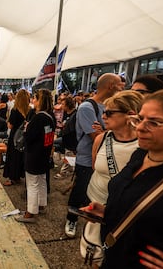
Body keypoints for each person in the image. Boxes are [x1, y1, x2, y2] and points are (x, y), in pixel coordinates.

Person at [80, 88, 163, 268]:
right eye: (139, 119)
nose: (140, 127)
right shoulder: (141, 154)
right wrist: (108, 212)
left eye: (154, 123)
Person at [81, 90, 143, 267]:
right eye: (103, 112)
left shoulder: (143, 144)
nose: (103, 116)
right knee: (93, 247)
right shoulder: (101, 138)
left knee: (116, 250)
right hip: (94, 199)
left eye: (109, 113)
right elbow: (95, 167)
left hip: (122, 209)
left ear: (129, 114)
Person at [65, 73, 122, 238]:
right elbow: (96, 137)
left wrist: (105, 131)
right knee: (80, 190)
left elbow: (109, 134)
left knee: (100, 193)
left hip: (108, 158)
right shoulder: (87, 107)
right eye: (120, 85)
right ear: (110, 85)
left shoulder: (110, 105)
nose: (122, 88)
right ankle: (72, 219)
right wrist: (111, 131)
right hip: (87, 158)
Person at [15, 89, 55, 223]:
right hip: (44, 154)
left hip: (34, 154)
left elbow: (29, 137)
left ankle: (30, 212)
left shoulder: (38, 118)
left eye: (35, 99)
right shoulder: (50, 116)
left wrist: (27, 129)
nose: (33, 101)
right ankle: (41, 204)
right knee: (42, 180)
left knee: (32, 184)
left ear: (40, 101)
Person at [2, 89, 30, 186]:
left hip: (15, 136)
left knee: (12, 157)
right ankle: (18, 176)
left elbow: (10, 125)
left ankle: (12, 178)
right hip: (24, 136)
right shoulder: (29, 110)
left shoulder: (15, 110)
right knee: (20, 157)